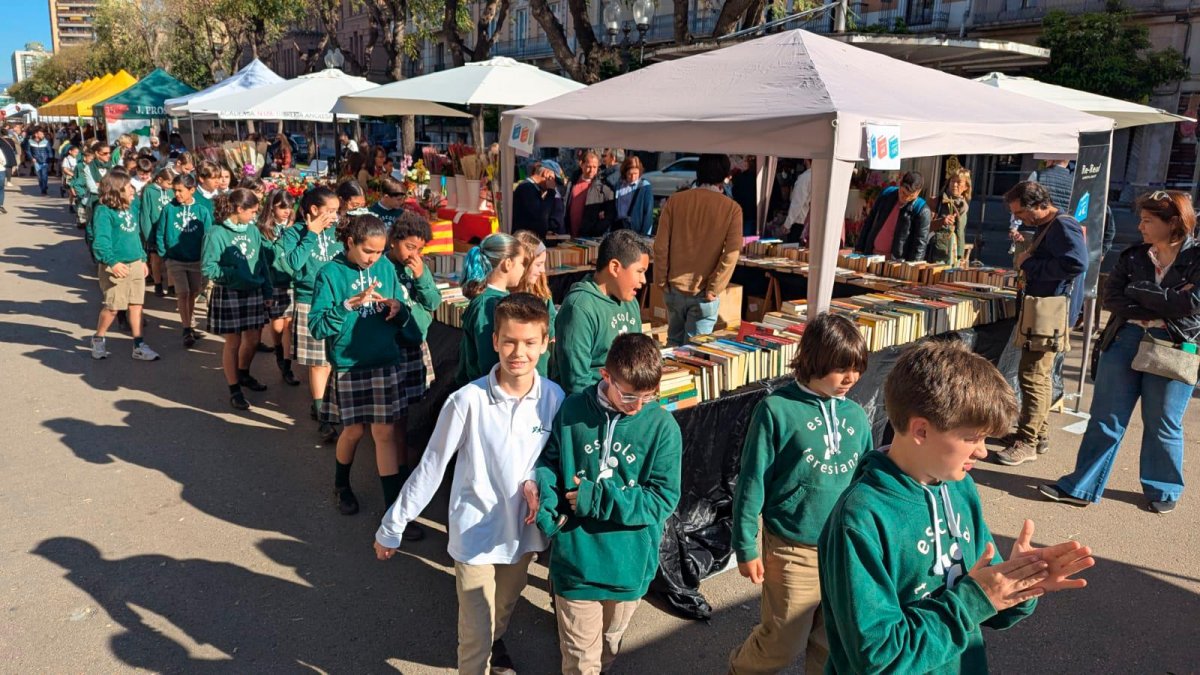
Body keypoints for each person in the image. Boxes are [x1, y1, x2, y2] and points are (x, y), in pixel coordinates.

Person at [818, 340, 1094, 673]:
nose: (983, 451)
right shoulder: (859, 518)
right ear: (921, 430)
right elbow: (878, 657)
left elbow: (984, 602)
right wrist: (977, 598)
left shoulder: (960, 486)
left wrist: (1020, 581)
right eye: (973, 437)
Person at [375, 293, 564, 675]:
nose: (519, 352)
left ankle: (495, 644)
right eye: (509, 341)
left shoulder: (554, 398)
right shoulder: (466, 401)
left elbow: (555, 461)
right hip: (474, 533)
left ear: (546, 344)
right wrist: (393, 525)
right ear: (494, 341)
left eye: (530, 342)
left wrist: (539, 485)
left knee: (501, 611)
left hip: (524, 536)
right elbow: (431, 467)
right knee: (475, 637)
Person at [527, 332, 682, 675]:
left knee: (609, 645)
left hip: (629, 567)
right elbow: (549, 462)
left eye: (649, 396)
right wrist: (549, 505)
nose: (638, 406)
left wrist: (598, 498)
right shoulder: (572, 410)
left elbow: (662, 499)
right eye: (629, 395)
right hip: (576, 562)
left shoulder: (663, 427)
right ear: (606, 376)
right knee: (582, 662)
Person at [728, 313, 873, 675]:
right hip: (793, 547)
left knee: (832, 641)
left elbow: (866, 480)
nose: (852, 378)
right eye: (842, 368)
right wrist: (745, 545)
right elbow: (752, 480)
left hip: (842, 548)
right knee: (783, 640)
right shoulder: (776, 410)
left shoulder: (856, 415)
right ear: (814, 360)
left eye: (857, 368)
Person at [1039, 191, 1199, 514]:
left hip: (1173, 344)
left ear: (1172, 223)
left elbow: (1192, 305)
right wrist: (1164, 301)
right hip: (1125, 337)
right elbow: (1112, 297)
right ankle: (1080, 486)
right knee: (1105, 418)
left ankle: (1163, 489)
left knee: (1163, 422)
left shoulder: (1196, 258)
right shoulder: (1134, 256)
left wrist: (1140, 291)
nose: (1140, 226)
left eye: (1147, 220)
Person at [309, 212, 415, 516]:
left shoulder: (385, 266)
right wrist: (347, 305)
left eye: (380, 251)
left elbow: (403, 310)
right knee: (353, 432)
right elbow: (317, 326)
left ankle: (393, 512)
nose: (374, 258)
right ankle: (341, 485)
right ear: (350, 242)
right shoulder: (330, 273)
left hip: (385, 360)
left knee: (384, 433)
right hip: (349, 365)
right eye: (368, 251)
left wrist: (398, 308)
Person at [994, 181, 1088, 466]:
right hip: (1044, 308)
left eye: (1021, 213)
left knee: (1033, 374)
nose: (1020, 219)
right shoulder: (1051, 225)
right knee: (1038, 375)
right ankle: (1038, 433)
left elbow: (1077, 263)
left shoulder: (1063, 225)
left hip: (1049, 311)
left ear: (1038, 205)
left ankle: (1028, 441)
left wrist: (1029, 264)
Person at [385, 211, 441, 532]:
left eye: (420, 249)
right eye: (409, 247)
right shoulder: (383, 266)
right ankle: (394, 480)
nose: (414, 254)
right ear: (394, 241)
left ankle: (402, 467)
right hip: (392, 348)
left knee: (405, 412)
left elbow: (432, 301)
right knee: (391, 418)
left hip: (414, 345)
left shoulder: (418, 267)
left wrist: (421, 276)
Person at [653, 153, 742, 346]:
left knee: (673, 346)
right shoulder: (731, 208)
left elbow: (660, 246)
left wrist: (661, 280)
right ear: (725, 176)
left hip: (674, 287)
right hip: (703, 292)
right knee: (694, 354)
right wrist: (714, 288)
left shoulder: (675, 201)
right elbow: (731, 254)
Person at [202, 188, 273, 411]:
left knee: (253, 339)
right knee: (233, 342)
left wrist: (267, 290)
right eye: (252, 211)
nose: (255, 215)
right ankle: (234, 389)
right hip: (230, 292)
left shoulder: (253, 230)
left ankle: (243, 373)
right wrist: (235, 274)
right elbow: (208, 267)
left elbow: (261, 262)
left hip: (254, 291)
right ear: (239, 209)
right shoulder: (216, 233)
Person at [281, 186, 343, 440]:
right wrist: (311, 234)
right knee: (319, 363)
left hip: (339, 301)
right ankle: (322, 415)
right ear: (314, 210)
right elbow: (293, 265)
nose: (335, 216)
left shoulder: (338, 231)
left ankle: (325, 403)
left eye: (337, 211)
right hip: (310, 301)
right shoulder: (293, 233)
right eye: (331, 211)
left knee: (335, 360)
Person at [556, 229, 648, 394]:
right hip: (593, 402)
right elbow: (576, 382)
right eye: (639, 272)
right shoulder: (579, 308)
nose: (644, 280)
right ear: (614, 267)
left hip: (629, 398)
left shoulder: (630, 302)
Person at [89, 172, 161, 362]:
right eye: (129, 187)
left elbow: (135, 235)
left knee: (136, 305)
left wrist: (142, 258)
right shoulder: (104, 211)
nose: (133, 190)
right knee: (113, 307)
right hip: (116, 265)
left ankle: (138, 345)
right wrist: (112, 262)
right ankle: (98, 338)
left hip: (135, 262)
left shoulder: (130, 207)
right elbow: (101, 242)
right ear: (117, 189)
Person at [457, 233, 527, 386]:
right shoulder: (487, 305)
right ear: (508, 264)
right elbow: (487, 359)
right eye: (522, 263)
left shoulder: (495, 299)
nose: (524, 269)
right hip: (486, 389)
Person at [156, 173, 212, 349]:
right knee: (183, 293)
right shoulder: (169, 209)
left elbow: (208, 236)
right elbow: (160, 232)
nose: (177, 194)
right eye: (174, 190)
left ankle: (190, 322)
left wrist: (206, 257)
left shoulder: (202, 211)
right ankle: (186, 328)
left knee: (193, 292)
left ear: (192, 190)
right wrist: (165, 254)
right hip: (175, 259)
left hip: (196, 260)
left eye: (180, 190)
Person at [260, 188, 301, 387]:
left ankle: (286, 365)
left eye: (289, 207)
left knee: (289, 326)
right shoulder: (264, 229)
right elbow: (266, 257)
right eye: (281, 207)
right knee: (277, 325)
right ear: (271, 207)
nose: (286, 211)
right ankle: (278, 351)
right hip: (274, 281)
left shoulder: (295, 227)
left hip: (292, 281)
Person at [855, 171, 931, 262]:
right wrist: (859, 248)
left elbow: (920, 244)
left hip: (896, 262)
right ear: (900, 185)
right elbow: (869, 221)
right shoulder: (886, 194)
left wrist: (912, 266)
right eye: (903, 192)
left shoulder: (922, 210)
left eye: (910, 196)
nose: (905, 198)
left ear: (918, 192)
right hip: (872, 255)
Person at [513, 230, 556, 378]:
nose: (542, 270)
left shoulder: (542, 294)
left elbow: (552, 328)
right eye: (538, 264)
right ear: (524, 263)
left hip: (541, 372)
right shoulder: (506, 296)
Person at [565, 151, 616, 238]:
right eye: (588, 167)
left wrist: (597, 230)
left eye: (594, 167)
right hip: (570, 235)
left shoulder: (604, 187)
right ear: (581, 164)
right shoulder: (572, 182)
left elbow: (610, 214)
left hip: (590, 238)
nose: (591, 171)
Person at [928, 168, 972, 265]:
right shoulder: (936, 201)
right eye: (952, 181)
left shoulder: (963, 207)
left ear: (966, 187)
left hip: (951, 255)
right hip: (933, 253)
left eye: (959, 182)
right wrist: (942, 221)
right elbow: (925, 227)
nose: (954, 185)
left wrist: (960, 256)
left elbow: (960, 233)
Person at [512, 162, 556, 239]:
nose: (554, 184)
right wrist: (551, 192)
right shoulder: (527, 189)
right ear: (546, 174)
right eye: (553, 179)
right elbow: (541, 217)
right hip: (526, 240)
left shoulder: (529, 188)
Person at [614, 156, 654, 236]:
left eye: (636, 174)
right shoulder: (619, 185)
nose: (633, 177)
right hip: (619, 227)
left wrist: (645, 235)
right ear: (625, 172)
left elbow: (648, 212)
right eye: (630, 174)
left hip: (636, 230)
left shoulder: (645, 186)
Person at [26, 127, 53, 196]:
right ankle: (43, 187)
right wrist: (32, 158)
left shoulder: (46, 141)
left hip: (45, 161)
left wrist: (50, 159)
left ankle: (44, 190)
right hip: (36, 162)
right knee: (39, 177)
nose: (42, 135)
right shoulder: (30, 141)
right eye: (41, 134)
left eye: (43, 134)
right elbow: (28, 151)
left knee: (44, 176)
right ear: (36, 134)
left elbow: (49, 151)